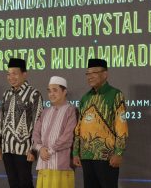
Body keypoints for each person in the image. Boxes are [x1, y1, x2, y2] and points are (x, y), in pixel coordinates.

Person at [72, 59, 128, 188]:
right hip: (86, 156)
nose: (90, 76)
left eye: (94, 72)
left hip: (107, 157)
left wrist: (119, 153)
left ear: (105, 74)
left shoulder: (115, 95)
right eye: (87, 74)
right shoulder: (85, 98)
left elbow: (122, 126)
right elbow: (79, 128)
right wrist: (76, 152)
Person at [0, 58, 43, 188]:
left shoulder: (34, 94)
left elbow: (38, 124)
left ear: (24, 74)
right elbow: (1, 120)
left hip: (24, 149)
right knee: (13, 183)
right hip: (7, 147)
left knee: (25, 183)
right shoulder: (6, 94)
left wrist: (33, 149)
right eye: (8, 74)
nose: (11, 77)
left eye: (15, 73)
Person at [32, 76, 77, 188]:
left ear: (64, 91)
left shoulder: (70, 110)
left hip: (61, 164)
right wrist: (41, 149)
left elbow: (68, 136)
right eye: (49, 91)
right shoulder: (45, 112)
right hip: (44, 163)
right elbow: (35, 133)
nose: (51, 94)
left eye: (55, 90)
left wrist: (49, 151)